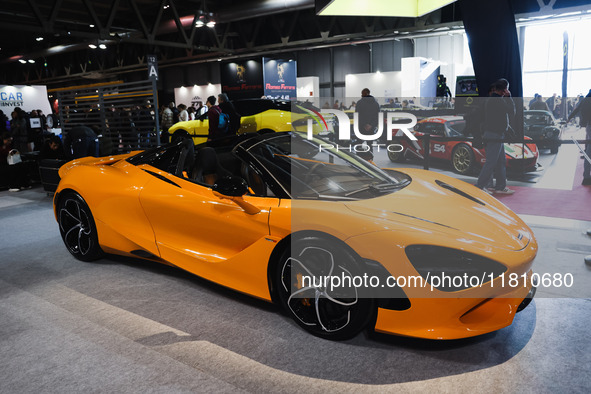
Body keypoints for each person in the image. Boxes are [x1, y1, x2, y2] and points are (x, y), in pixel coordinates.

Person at [475, 78, 516, 195]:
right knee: (491, 162)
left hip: (496, 134)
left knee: (500, 161)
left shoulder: (492, 100)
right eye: (507, 89)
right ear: (504, 90)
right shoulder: (498, 100)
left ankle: (500, 186)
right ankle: (480, 186)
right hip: (495, 135)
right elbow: (512, 111)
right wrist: (510, 98)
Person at [566, 89, 591, 185]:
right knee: (589, 152)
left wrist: (569, 118)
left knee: (589, 150)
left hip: (589, 126)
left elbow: (577, 109)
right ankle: (586, 177)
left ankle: (586, 176)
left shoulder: (585, 100)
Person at [355, 88, 380, 158]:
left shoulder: (359, 103)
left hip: (361, 127)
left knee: (359, 144)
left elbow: (357, 115)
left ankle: (358, 159)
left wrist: (364, 124)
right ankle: (370, 159)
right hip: (371, 128)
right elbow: (377, 117)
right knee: (370, 144)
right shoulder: (376, 104)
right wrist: (371, 125)